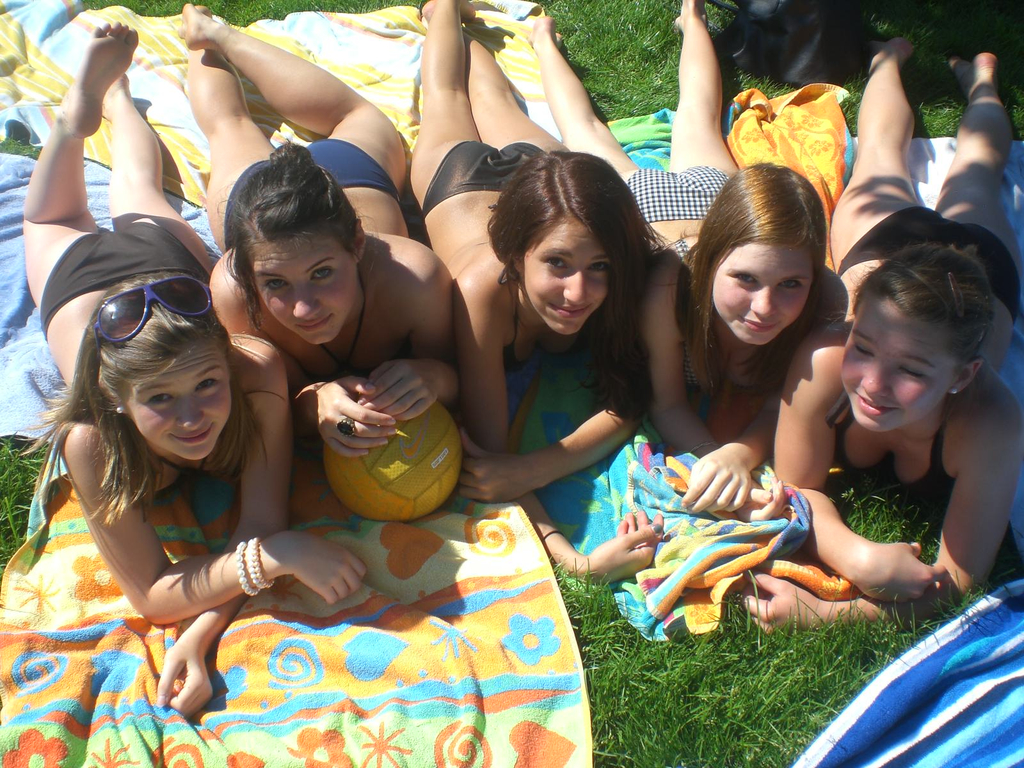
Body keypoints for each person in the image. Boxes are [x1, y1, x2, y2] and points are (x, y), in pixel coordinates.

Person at [24, 24, 365, 717]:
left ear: (227, 360)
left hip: (163, 255)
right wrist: (275, 556)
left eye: (208, 384)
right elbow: (153, 592)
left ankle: (120, 102)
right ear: (115, 399)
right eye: (159, 400)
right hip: (73, 278)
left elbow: (259, 521)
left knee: (137, 182)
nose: (192, 417)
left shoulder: (256, 371)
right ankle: (82, 109)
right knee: (56, 213)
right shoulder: (92, 439)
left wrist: (203, 632)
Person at [746, 46, 1024, 629]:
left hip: (980, 267)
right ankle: (885, 62)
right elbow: (793, 488)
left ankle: (982, 82)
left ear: (964, 375)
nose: (872, 383)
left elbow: (960, 580)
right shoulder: (824, 359)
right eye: (865, 348)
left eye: (913, 370)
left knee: (979, 168)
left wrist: (829, 614)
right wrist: (858, 557)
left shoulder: (991, 421)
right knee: (876, 155)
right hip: (888, 243)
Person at [410, 0, 665, 579]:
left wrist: (538, 467)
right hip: (458, 181)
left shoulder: (611, 265)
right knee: (445, 95)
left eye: (599, 267)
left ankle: (477, 33)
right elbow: (490, 456)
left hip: (544, 176)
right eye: (557, 265)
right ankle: (442, 10)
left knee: (497, 100)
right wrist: (571, 558)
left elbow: (632, 398)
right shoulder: (482, 294)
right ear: (515, 255)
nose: (579, 292)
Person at [180, 4, 457, 457]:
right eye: (275, 283)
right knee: (229, 125)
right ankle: (200, 38)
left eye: (322, 273)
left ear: (357, 244)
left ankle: (223, 35)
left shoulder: (414, 278)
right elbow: (262, 400)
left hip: (353, 174)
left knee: (355, 113)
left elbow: (457, 368)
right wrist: (312, 403)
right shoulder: (234, 292)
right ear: (248, 272)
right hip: (258, 205)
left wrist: (434, 376)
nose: (304, 308)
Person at [642, 164, 830, 514]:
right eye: (746, 278)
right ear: (711, 262)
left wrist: (739, 455)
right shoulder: (670, 287)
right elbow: (666, 404)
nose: (764, 307)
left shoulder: (820, 307)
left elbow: (781, 408)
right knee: (592, 139)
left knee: (703, 131)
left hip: (724, 200)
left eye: (790, 284)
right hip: (652, 203)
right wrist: (713, 458)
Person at [830, 40, 1021, 366]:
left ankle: (896, 61)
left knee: (971, 170)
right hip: (964, 274)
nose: (874, 386)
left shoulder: (978, 391)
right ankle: (978, 83)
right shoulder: (976, 394)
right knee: (885, 155)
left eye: (911, 371)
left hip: (977, 274)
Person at [530, 0, 736, 249]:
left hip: (708, 212)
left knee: (698, 111)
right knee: (581, 127)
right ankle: (543, 43)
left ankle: (693, 18)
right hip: (648, 219)